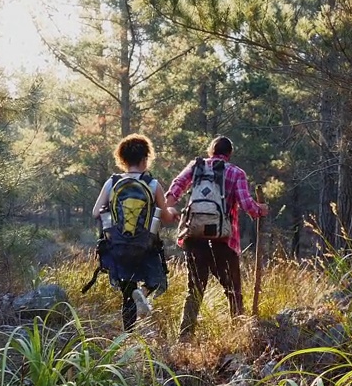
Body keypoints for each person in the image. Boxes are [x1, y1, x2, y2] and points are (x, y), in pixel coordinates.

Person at [164, 136, 268, 339]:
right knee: (233, 291)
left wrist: (168, 206)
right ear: (229, 154)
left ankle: (184, 338)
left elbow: (177, 185)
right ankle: (239, 335)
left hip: (194, 237)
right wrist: (260, 209)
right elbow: (248, 206)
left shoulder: (196, 166)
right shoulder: (236, 173)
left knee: (194, 290)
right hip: (223, 240)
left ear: (211, 151)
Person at [91, 133, 179, 330]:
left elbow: (96, 211)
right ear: (145, 158)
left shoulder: (112, 182)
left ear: (122, 159)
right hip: (146, 246)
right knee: (155, 281)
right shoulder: (152, 184)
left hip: (118, 246)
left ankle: (128, 335)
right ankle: (144, 293)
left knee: (127, 290)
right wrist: (172, 212)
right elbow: (164, 217)